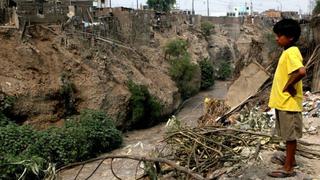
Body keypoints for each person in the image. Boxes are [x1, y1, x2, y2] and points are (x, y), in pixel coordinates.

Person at [267, 18, 306, 178]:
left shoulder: (291, 52)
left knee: (290, 137)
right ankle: (290, 160)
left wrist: (288, 86)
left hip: (289, 103)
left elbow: (301, 72)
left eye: (280, 35)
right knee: (287, 135)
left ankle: (288, 168)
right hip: (284, 103)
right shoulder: (288, 51)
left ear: (290, 37)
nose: (277, 38)